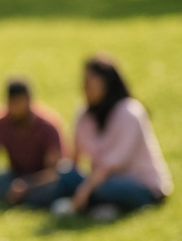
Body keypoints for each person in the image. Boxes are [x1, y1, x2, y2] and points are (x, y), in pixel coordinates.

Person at [53, 57, 172, 221]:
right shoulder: (84, 114)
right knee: (65, 174)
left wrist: (83, 191)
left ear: (107, 82)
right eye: (84, 82)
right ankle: (102, 206)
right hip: (98, 180)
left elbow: (113, 164)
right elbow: (75, 157)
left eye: (90, 82)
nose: (85, 87)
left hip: (138, 186)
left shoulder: (130, 112)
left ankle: (95, 204)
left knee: (106, 188)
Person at [0, 79, 67, 207]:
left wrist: (27, 185)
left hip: (41, 182)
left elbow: (55, 171)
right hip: (14, 176)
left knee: (55, 187)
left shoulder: (47, 127)